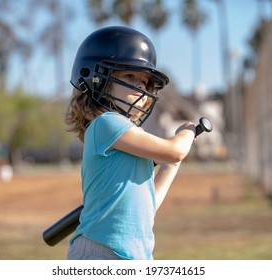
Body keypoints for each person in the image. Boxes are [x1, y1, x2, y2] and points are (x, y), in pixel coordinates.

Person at [65, 26, 196, 260]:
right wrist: (186, 132)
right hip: (100, 253)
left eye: (145, 82)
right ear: (98, 80)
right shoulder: (107, 124)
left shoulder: (131, 136)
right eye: (130, 76)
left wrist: (171, 166)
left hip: (137, 255)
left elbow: (147, 207)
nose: (140, 86)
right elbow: (176, 150)